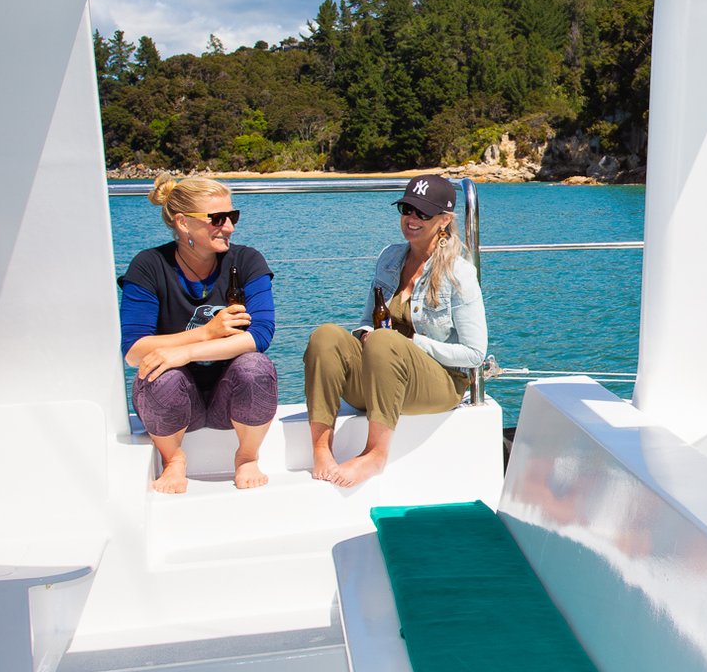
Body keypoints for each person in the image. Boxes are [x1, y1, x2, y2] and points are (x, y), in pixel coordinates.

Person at [305, 174, 487, 488]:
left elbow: (474, 355)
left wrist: (411, 342)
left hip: (438, 383)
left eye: (422, 213)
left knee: (386, 341)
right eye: (406, 209)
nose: (411, 219)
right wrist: (365, 335)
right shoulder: (389, 258)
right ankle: (321, 449)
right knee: (326, 336)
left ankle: (375, 454)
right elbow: (366, 320)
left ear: (444, 220)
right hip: (382, 381)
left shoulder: (459, 272)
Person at [119, 175, 278, 493]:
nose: (229, 227)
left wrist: (187, 352)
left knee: (256, 367)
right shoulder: (149, 266)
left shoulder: (246, 261)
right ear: (183, 223)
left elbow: (260, 335)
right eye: (217, 219)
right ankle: (173, 459)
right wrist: (205, 334)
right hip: (176, 400)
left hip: (228, 399)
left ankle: (247, 456)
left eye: (232, 217)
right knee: (158, 373)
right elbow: (134, 350)